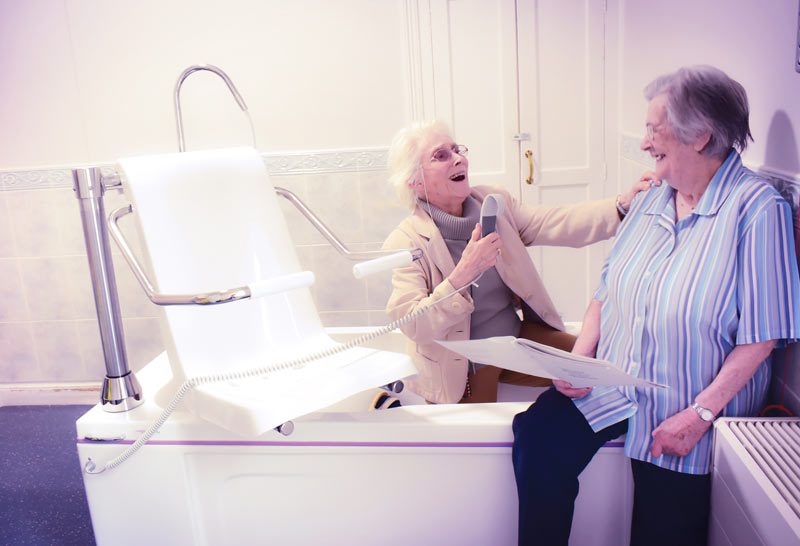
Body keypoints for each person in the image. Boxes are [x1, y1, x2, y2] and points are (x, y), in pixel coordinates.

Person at [511, 65, 800, 546]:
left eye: (653, 129)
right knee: (538, 438)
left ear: (701, 136)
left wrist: (700, 417)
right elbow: (605, 290)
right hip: (616, 383)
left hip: (689, 403)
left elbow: (762, 337)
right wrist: (581, 360)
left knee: (664, 529)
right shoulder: (651, 198)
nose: (645, 143)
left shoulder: (757, 210)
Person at [382, 120, 653, 405]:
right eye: (441, 155)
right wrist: (464, 273)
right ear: (414, 181)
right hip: (463, 366)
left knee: (599, 367)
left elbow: (554, 221)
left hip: (514, 340)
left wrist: (621, 206)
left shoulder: (493, 202)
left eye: (456, 149)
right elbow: (414, 326)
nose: (459, 159)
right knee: (479, 445)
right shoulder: (406, 241)